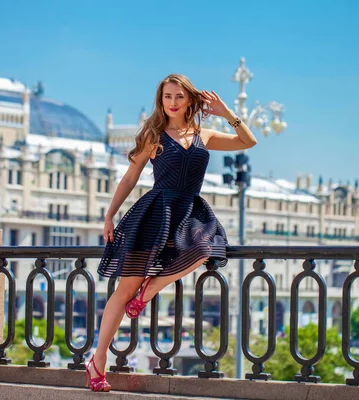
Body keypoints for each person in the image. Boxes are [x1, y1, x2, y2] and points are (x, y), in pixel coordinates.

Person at [84, 74, 257, 392]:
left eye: (179, 96)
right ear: (160, 100)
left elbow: (248, 142)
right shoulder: (154, 134)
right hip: (155, 213)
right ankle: (97, 360)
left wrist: (226, 112)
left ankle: (149, 292)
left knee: (210, 248)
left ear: (190, 99)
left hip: (190, 211)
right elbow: (130, 177)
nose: (173, 102)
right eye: (167, 97)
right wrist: (109, 215)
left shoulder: (204, 133)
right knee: (123, 293)